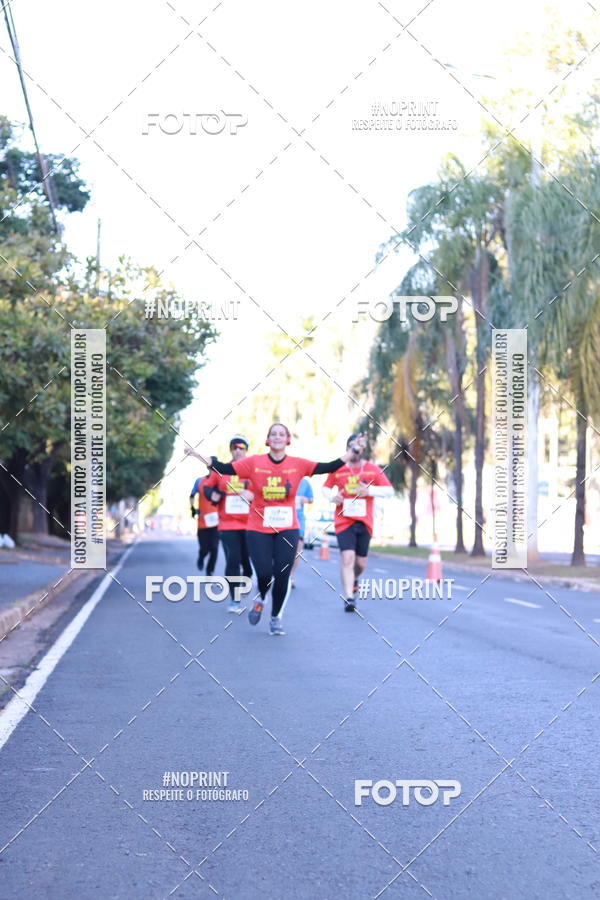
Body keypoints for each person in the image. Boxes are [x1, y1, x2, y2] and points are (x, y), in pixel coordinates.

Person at [186, 425, 366, 635]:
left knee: (282, 574)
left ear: (288, 439)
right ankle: (261, 597)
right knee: (263, 573)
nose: (278, 437)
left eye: (282, 434)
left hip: (287, 527)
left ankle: (275, 617)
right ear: (268, 440)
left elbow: (329, 466)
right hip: (258, 527)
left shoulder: (298, 464)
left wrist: (352, 451)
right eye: (273, 434)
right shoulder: (254, 463)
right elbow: (224, 468)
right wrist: (198, 455)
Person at [323, 434, 393, 612]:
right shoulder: (339, 469)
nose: (356, 449)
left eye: (359, 446)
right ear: (347, 448)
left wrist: (370, 491)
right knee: (347, 558)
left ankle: (353, 580)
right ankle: (349, 597)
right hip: (343, 520)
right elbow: (325, 488)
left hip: (365, 522)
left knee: (360, 563)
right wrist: (333, 497)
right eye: (352, 446)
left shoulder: (372, 469)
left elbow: (389, 491)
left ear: (363, 449)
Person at [203, 435, 254, 613]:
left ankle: (245, 581)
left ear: (246, 449)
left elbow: (266, 491)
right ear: (231, 450)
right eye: (234, 447)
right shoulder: (222, 471)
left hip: (250, 525)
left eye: (241, 447)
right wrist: (213, 495)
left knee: (247, 564)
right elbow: (206, 486)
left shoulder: (254, 470)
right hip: (228, 524)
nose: (238, 450)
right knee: (233, 559)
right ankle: (234, 599)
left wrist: (253, 495)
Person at [189, 475, 219, 574]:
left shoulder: (222, 480)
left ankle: (210, 570)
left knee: (214, 548)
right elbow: (192, 495)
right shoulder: (200, 481)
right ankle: (201, 557)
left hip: (216, 522)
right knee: (205, 548)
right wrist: (192, 509)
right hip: (203, 522)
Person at [290, 476, 313, 588]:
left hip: (299, 521)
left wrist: (307, 500)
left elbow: (311, 499)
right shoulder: (281, 477)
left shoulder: (304, 482)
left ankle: (291, 576)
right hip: (281, 520)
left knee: (297, 551)